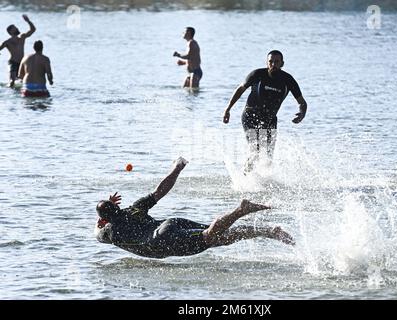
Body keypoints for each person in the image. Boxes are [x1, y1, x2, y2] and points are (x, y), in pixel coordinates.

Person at [94, 157, 295, 259]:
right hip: (170, 223)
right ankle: (269, 232)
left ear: (104, 220)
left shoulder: (110, 232)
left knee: (210, 236)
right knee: (219, 237)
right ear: (115, 206)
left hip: (163, 241)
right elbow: (160, 190)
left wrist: (101, 221)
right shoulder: (134, 208)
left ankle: (240, 210)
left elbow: (97, 233)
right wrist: (177, 167)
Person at [222, 50, 308, 172]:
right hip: (250, 116)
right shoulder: (257, 74)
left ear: (282, 63)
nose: (273, 64)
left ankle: (264, 182)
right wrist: (228, 109)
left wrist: (302, 113)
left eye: (276, 62)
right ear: (267, 63)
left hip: (270, 119)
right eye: (270, 62)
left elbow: (302, 102)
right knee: (256, 151)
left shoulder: (288, 80)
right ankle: (245, 178)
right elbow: (241, 89)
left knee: (268, 155)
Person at [0, 14, 36, 87]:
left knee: (23, 81)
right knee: (12, 81)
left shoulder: (22, 37)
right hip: (12, 63)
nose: (17, 28)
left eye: (16, 27)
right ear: (10, 32)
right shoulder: (7, 42)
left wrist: (28, 21)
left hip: (22, 63)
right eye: (15, 28)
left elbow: (33, 30)